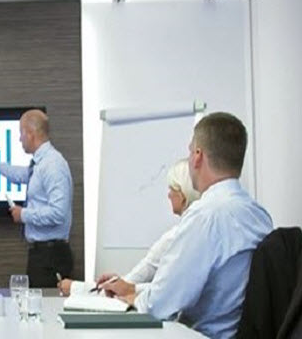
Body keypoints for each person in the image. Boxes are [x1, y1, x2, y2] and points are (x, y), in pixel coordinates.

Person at [102, 112, 273, 339]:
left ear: (198, 156)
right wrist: (135, 290)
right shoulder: (260, 216)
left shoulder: (205, 216)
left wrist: (132, 297)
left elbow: (160, 304)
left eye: (190, 151)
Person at [58, 159, 200, 296]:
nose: (168, 195)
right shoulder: (198, 232)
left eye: (171, 189)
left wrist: (75, 288)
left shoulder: (175, 237)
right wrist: (119, 283)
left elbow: (136, 286)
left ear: (182, 195)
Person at [0, 109, 73, 287]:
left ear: (30, 133)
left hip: (50, 257)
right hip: (42, 254)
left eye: (21, 133)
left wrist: (23, 214)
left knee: (45, 303)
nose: (19, 139)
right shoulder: (41, 163)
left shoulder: (53, 165)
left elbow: (58, 213)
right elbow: (22, 175)